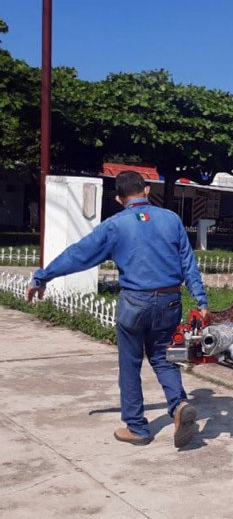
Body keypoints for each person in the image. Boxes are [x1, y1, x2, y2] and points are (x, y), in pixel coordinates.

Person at [26, 170, 209, 448]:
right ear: (147, 190)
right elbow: (188, 263)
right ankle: (180, 404)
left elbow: (79, 254)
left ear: (119, 198)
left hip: (135, 302)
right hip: (170, 301)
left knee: (130, 364)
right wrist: (202, 301)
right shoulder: (171, 220)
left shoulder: (115, 225)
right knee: (164, 357)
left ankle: (137, 428)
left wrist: (43, 276)